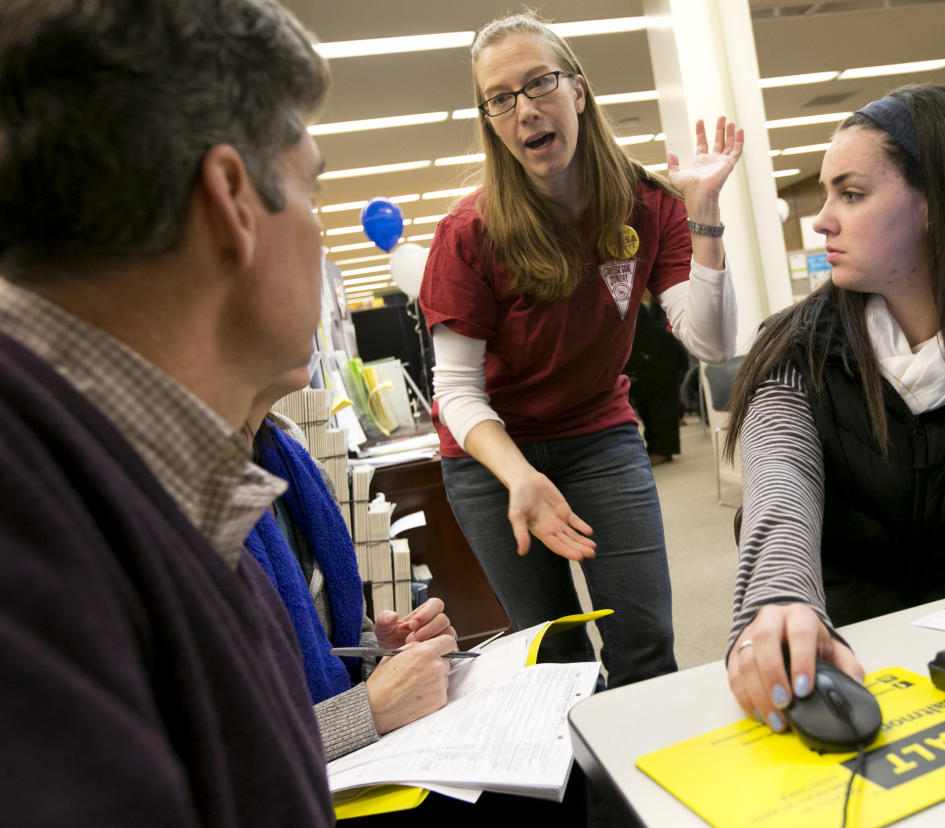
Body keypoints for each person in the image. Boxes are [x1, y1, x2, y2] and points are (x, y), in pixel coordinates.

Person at [0, 0, 337, 822]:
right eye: (313, 185)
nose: (323, 233)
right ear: (232, 200)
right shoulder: (31, 527)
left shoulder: (159, 490)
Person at [419, 13, 741, 688]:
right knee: (551, 660)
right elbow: (455, 390)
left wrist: (707, 216)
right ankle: (579, 792)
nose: (526, 109)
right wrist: (519, 477)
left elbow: (711, 342)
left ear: (579, 92)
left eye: (540, 84)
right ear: (490, 119)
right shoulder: (470, 231)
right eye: (501, 98)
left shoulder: (650, 204)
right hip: (490, 461)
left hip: (598, 435)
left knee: (644, 641)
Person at [724, 84, 945, 736]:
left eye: (851, 194)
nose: (821, 219)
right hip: (856, 653)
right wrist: (778, 599)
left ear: (936, 205)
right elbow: (780, 489)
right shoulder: (794, 350)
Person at [243, 370, 458, 762]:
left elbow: (332, 640)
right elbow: (207, 760)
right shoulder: (167, 504)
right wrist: (368, 710)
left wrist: (388, 655)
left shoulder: (292, 459)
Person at [623, 292, 690, 465]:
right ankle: (656, 448)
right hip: (649, 358)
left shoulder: (625, 303)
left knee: (661, 406)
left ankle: (662, 451)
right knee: (647, 405)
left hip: (661, 357)